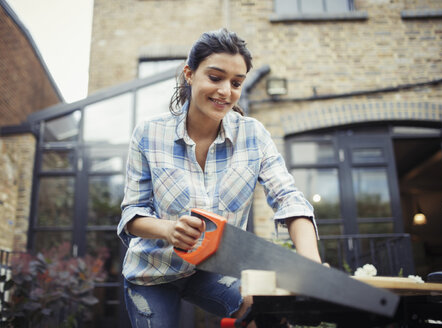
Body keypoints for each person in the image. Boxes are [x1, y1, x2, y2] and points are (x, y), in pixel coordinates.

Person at [118, 28, 322, 327]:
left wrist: (310, 263)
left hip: (214, 270)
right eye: (215, 78)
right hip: (152, 273)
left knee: (266, 315)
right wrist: (169, 229)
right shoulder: (149, 134)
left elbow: (289, 199)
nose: (226, 91)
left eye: (236, 83)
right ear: (190, 74)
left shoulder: (253, 135)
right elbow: (132, 214)